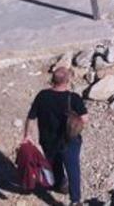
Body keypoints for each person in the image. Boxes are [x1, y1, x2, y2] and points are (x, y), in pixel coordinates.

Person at [23, 67, 87, 206]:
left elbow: (31, 117)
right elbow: (84, 119)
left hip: (48, 140)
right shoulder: (73, 98)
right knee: (73, 168)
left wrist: (27, 135)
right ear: (68, 80)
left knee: (54, 164)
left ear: (53, 79)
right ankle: (75, 200)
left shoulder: (42, 96)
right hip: (70, 141)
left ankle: (59, 184)